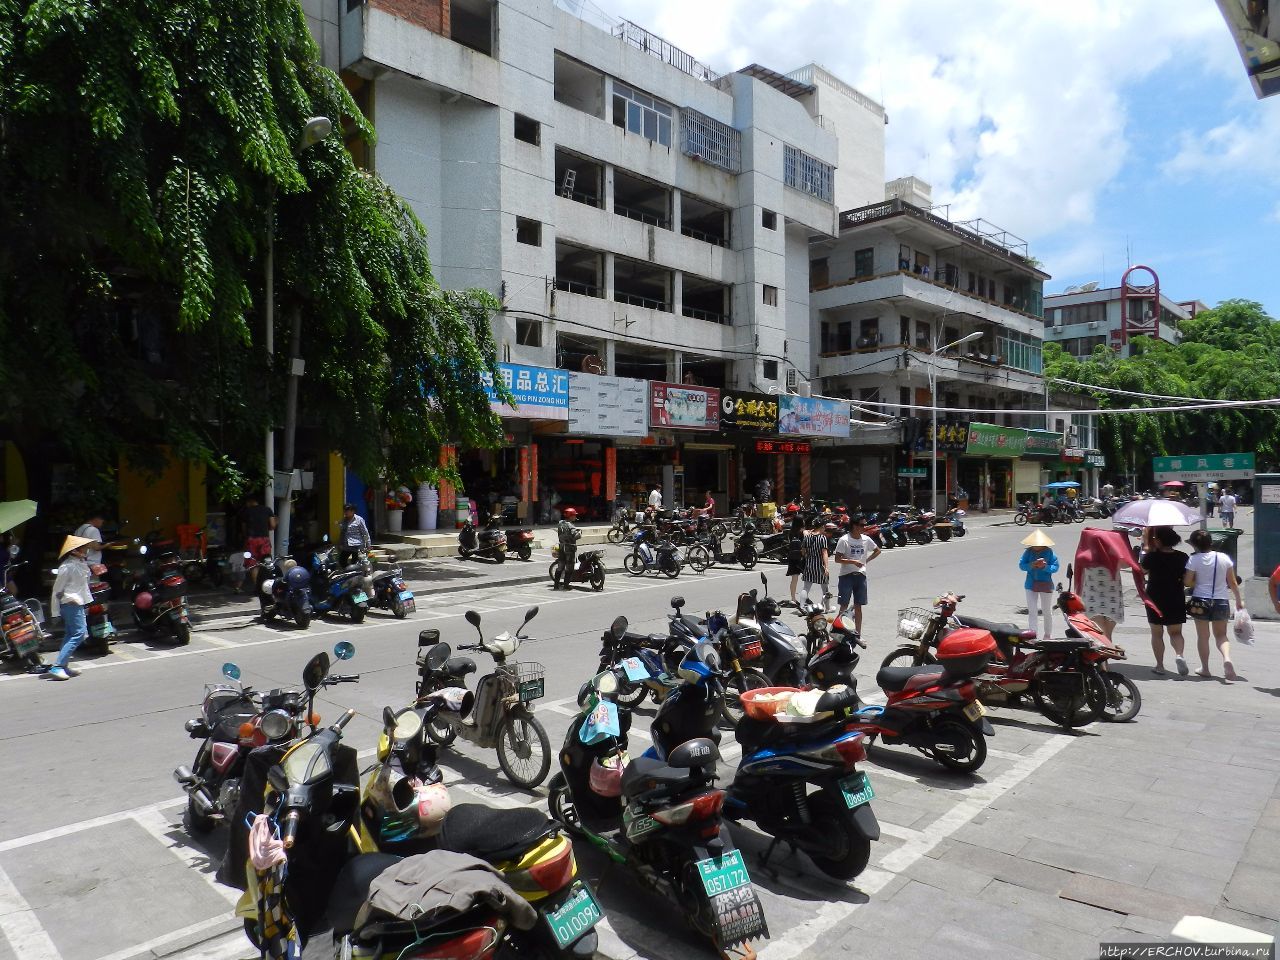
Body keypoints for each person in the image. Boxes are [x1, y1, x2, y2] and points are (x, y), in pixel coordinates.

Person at [1184, 528, 1244, 681]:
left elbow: (1187, 581)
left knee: (1203, 637)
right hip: (1221, 600)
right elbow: (1232, 582)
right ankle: (1227, 658)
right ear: (1211, 542)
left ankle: (1205, 668)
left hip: (1200, 601)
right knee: (1221, 635)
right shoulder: (1224, 558)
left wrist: (1197, 581)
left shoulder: (1194, 560)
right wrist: (1238, 600)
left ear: (1194, 545)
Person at [1141, 526, 1189, 675]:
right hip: (1176, 595)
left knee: (1157, 633)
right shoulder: (1182, 556)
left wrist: (1145, 550)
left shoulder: (1152, 557)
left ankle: (1160, 666)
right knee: (1176, 632)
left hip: (1155, 596)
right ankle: (1179, 655)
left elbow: (1141, 571)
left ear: (1159, 540)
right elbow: (1187, 580)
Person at [49, 535, 95, 680]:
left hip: (77, 603)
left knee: (71, 634)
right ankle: (57, 666)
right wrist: (55, 612)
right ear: (75, 551)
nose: (86, 550)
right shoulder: (67, 567)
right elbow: (57, 591)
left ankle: (63, 665)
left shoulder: (79, 564)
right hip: (70, 603)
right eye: (83, 548)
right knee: (79, 633)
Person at [832, 515, 881, 633]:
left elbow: (877, 551)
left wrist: (866, 561)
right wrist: (852, 561)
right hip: (846, 576)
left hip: (861, 576)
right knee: (843, 606)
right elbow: (837, 559)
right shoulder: (844, 540)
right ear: (854, 525)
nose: (864, 527)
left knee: (858, 607)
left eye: (865, 525)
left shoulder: (866, 539)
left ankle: (858, 634)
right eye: (862, 525)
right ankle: (837, 632)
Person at [1019, 530, 1059, 638]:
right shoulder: (1028, 552)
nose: (1036, 547)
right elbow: (1021, 565)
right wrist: (1031, 565)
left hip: (1046, 584)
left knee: (1047, 611)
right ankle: (1033, 634)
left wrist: (1045, 567)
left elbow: (1055, 568)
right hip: (1030, 585)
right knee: (1032, 611)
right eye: (1034, 544)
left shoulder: (1050, 552)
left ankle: (1047, 635)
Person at [798, 517, 830, 611]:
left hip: (809, 564)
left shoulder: (807, 537)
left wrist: (808, 555)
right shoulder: (822, 538)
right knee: (825, 587)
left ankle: (802, 606)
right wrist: (826, 567)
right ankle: (827, 608)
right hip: (820, 565)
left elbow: (803, 551)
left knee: (806, 587)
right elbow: (824, 553)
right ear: (821, 527)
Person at [243, 495, 276, 561]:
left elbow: (244, 529)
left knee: (252, 562)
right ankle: (266, 571)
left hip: (251, 540)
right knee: (267, 561)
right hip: (264, 540)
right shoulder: (267, 509)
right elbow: (272, 525)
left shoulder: (246, 511)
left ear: (250, 501)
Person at [554, 507, 580, 590]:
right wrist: (579, 533)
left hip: (561, 546)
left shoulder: (560, 523)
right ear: (570, 516)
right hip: (569, 548)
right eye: (574, 515)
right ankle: (566, 585)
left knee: (560, 566)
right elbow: (575, 536)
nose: (575, 517)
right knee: (570, 567)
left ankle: (556, 585)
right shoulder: (571, 525)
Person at [784, 511, 805, 605]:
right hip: (801, 557)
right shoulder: (802, 532)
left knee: (794, 578)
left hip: (792, 557)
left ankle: (793, 597)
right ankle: (803, 597)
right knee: (807, 578)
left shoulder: (791, 532)